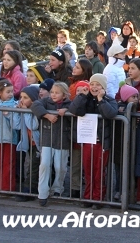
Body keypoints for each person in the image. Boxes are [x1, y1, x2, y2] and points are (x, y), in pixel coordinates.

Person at [69, 74, 118, 209]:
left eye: (98, 84)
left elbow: (110, 114)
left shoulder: (109, 100)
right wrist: (82, 97)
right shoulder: (85, 99)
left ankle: (98, 198)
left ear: (103, 87)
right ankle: (88, 197)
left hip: (101, 142)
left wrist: (101, 99)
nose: (94, 87)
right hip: (87, 140)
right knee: (88, 170)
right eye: (92, 84)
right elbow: (74, 110)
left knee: (99, 171)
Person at [31, 82, 72, 206]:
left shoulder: (69, 104)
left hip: (62, 139)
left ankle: (57, 188)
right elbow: (35, 105)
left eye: (57, 93)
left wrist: (66, 110)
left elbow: (77, 109)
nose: (53, 95)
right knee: (44, 165)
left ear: (64, 95)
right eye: (52, 92)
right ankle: (42, 193)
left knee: (60, 167)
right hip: (47, 139)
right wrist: (47, 115)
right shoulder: (45, 101)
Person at [13, 85, 41, 202]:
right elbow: (17, 125)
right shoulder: (25, 110)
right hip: (29, 142)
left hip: (38, 144)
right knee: (30, 166)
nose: (22, 100)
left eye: (25, 98)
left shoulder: (36, 110)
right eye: (21, 97)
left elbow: (33, 125)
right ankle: (31, 188)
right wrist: (17, 112)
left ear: (33, 99)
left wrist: (26, 112)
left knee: (34, 166)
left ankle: (29, 189)